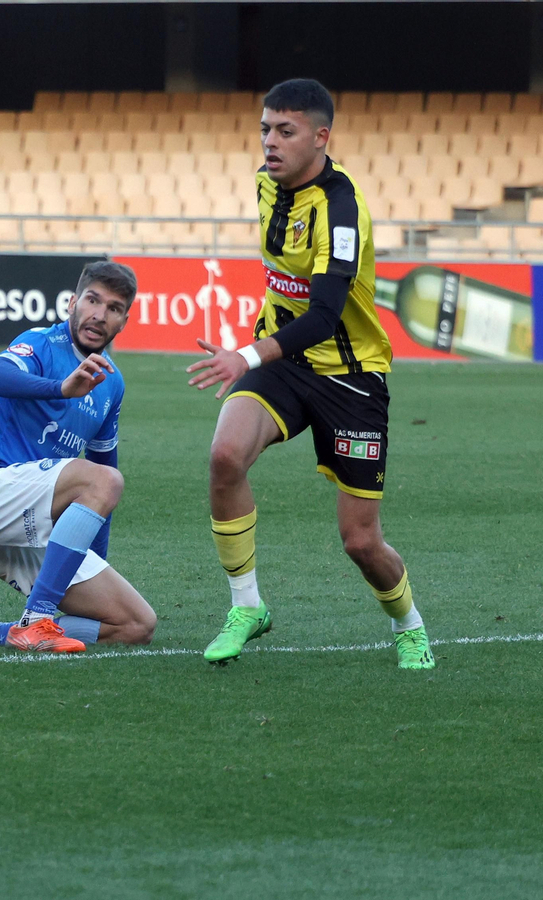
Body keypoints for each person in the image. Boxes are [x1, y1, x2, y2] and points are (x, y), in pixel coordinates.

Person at [186, 78, 432, 669]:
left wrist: (243, 356)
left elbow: (324, 316)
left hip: (350, 376)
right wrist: (258, 355)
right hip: (286, 363)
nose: (270, 142)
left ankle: (409, 625)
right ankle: (247, 606)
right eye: (266, 129)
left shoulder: (342, 208)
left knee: (361, 542)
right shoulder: (266, 184)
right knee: (224, 458)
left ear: (322, 137)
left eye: (285, 131)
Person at [0, 261, 156, 653]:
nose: (99, 315)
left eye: (114, 308)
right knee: (104, 481)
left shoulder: (112, 383)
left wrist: (93, 564)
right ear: (72, 302)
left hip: (35, 526)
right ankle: (37, 619)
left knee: (136, 624)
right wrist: (60, 388)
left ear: (124, 321)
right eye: (92, 300)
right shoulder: (41, 344)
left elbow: (104, 473)